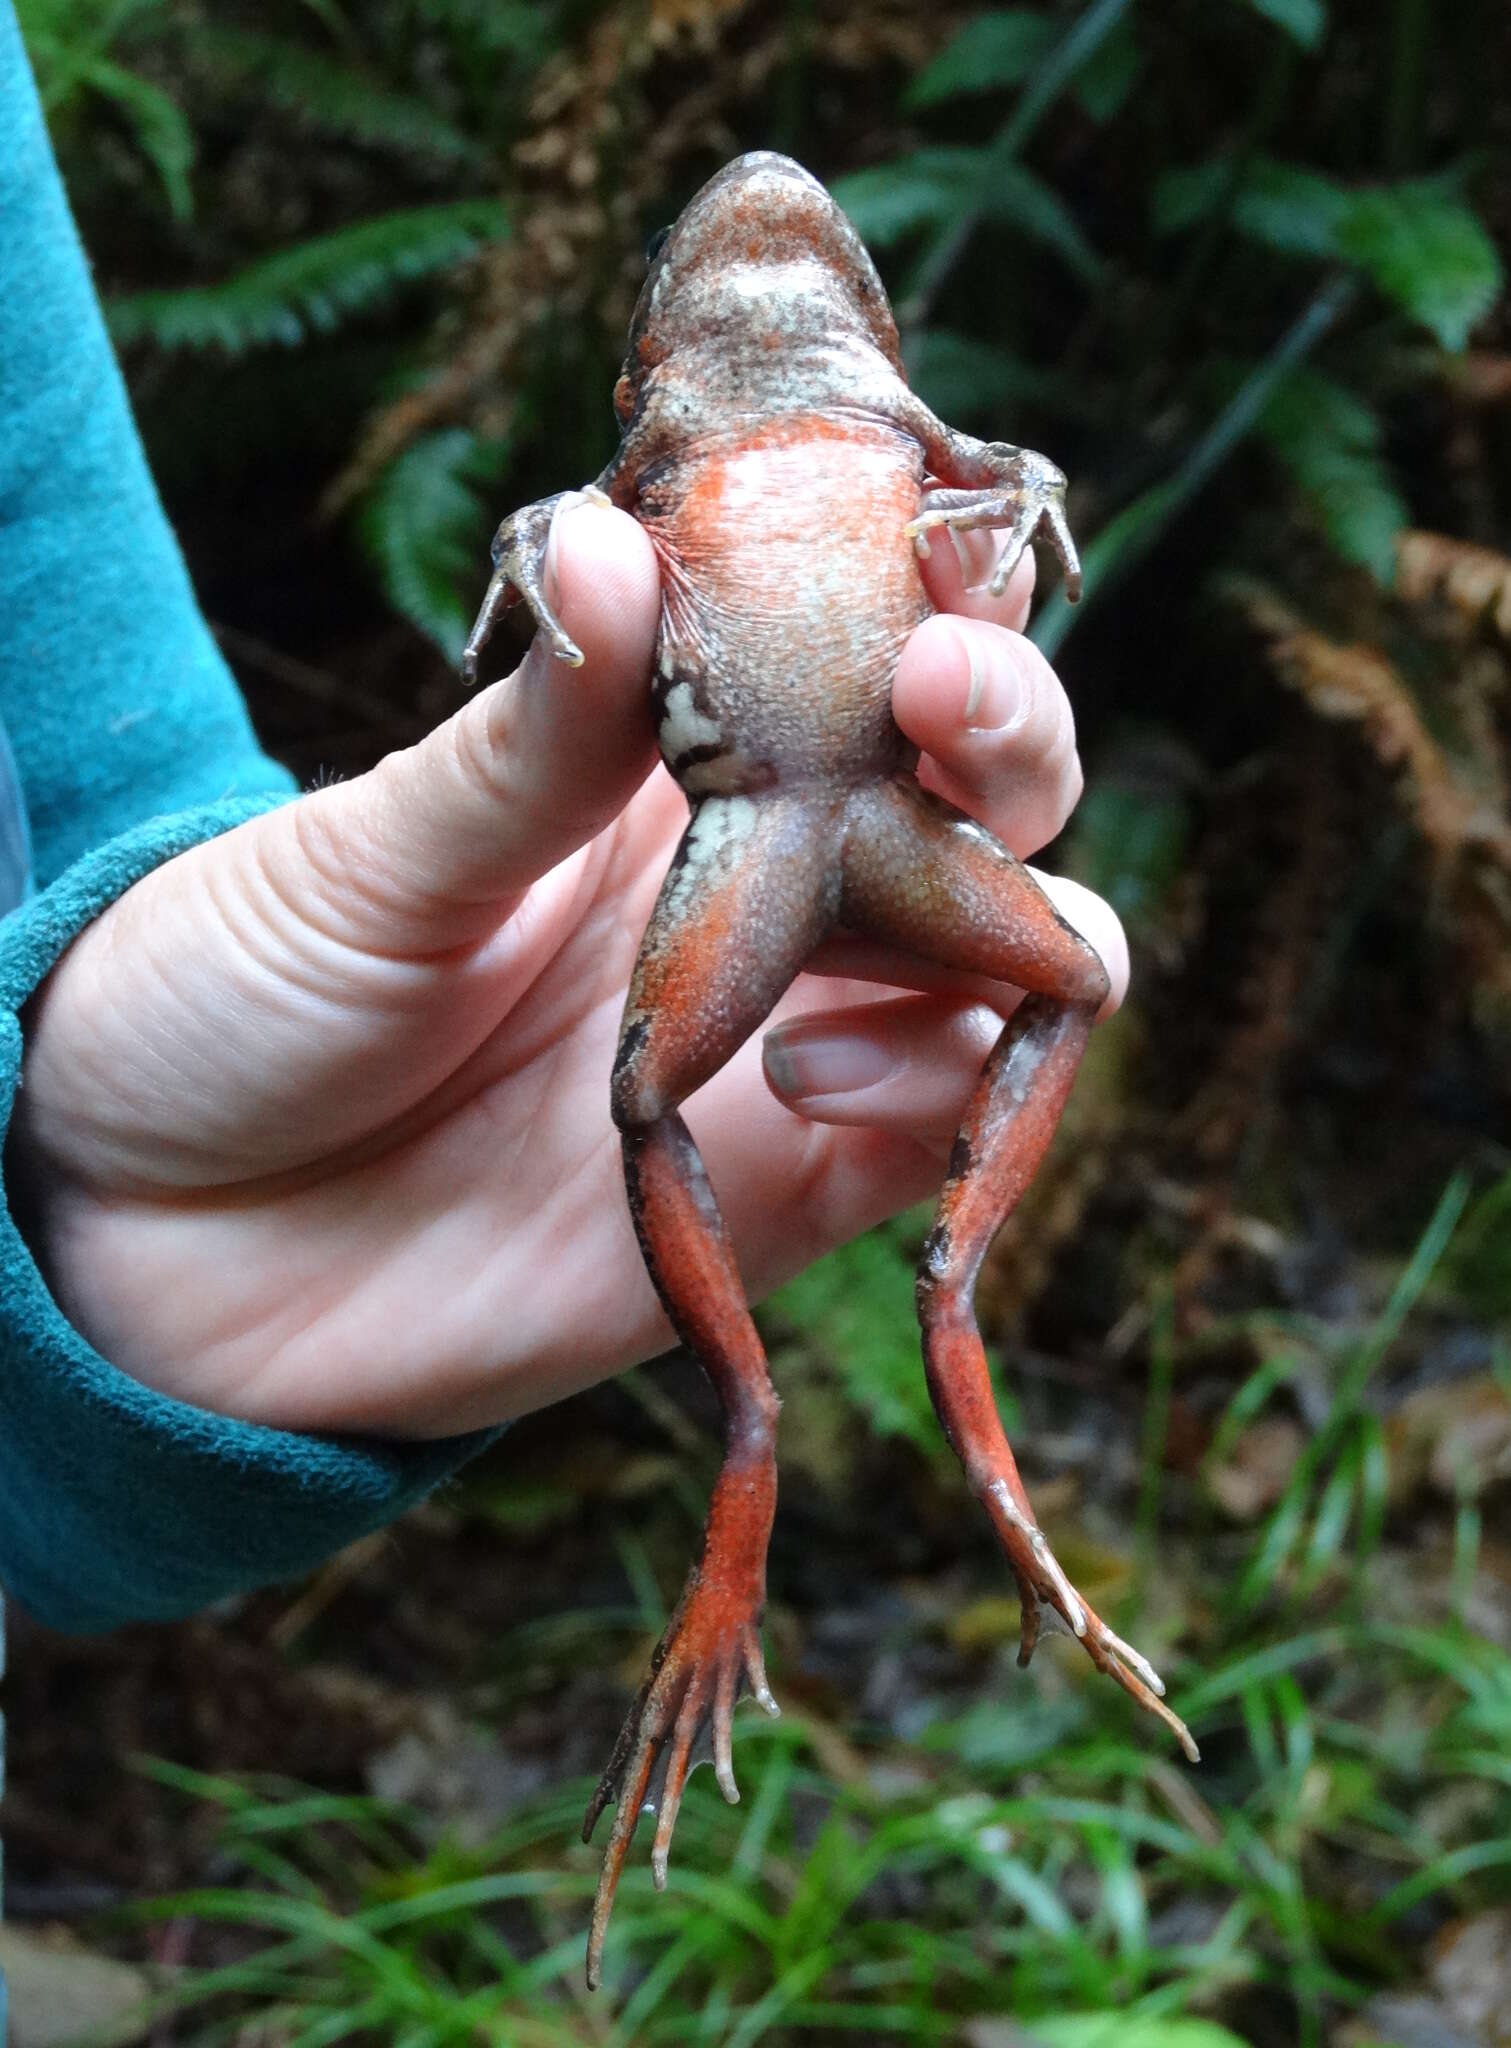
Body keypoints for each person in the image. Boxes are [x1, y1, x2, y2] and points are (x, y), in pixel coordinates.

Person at [0, 1, 1125, 1634]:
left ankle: (954, 1295)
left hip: (857, 815)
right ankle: (751, 1428)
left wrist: (97, 1186)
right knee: (652, 1093)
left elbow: (96, 705)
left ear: (879, 329)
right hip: (739, 828)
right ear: (648, 366)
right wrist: (544, 566)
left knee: (1067, 972)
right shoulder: (667, 445)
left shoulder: (908, 431)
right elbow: (563, 525)